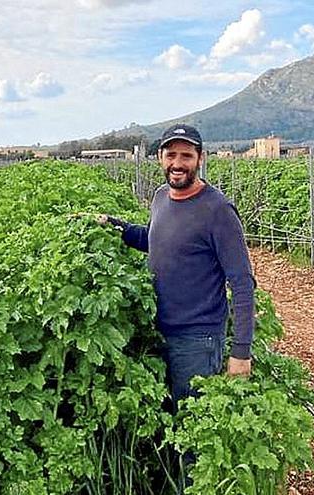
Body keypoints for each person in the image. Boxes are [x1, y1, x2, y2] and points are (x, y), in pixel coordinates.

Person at [98, 123, 255, 410]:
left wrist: (241, 352)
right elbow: (154, 239)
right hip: (159, 330)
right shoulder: (160, 197)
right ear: (160, 157)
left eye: (186, 156)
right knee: (171, 421)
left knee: (192, 430)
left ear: (200, 159)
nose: (177, 164)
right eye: (171, 155)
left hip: (198, 339)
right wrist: (115, 226)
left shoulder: (218, 210)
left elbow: (242, 282)